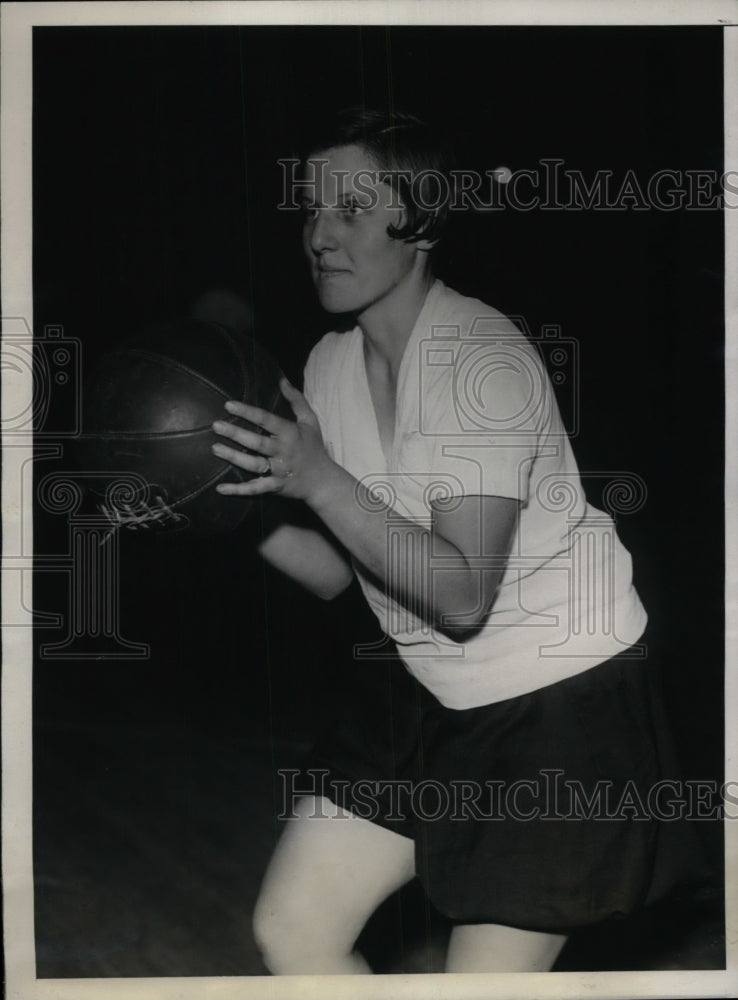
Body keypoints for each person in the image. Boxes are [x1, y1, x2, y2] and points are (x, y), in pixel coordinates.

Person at [211, 108, 696, 974]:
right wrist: (223, 508)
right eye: (311, 210)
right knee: (294, 931)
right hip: (430, 693)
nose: (320, 235)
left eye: (351, 210)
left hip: (560, 707)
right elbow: (340, 575)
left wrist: (315, 475)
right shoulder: (326, 365)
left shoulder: (483, 361)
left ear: (423, 223)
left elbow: (462, 596)